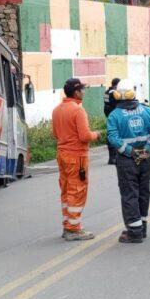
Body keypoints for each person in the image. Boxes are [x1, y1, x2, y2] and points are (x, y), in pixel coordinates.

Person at [106, 78, 150, 243]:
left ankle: (134, 232)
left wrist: (130, 152)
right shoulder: (146, 111)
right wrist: (147, 149)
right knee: (143, 192)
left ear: (116, 95)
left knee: (130, 194)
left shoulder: (114, 115)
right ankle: (141, 227)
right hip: (144, 156)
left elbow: (113, 138)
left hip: (127, 160)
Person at [51, 78, 100, 241]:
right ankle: (73, 229)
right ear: (76, 92)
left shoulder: (57, 110)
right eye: (82, 90)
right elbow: (85, 136)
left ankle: (68, 225)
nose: (84, 92)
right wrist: (97, 134)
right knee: (77, 190)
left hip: (62, 155)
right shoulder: (78, 110)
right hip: (76, 156)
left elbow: (56, 134)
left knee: (66, 190)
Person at [103, 78, 121, 165]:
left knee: (111, 133)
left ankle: (112, 157)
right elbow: (118, 102)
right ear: (117, 84)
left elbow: (107, 103)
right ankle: (113, 158)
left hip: (109, 113)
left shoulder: (107, 92)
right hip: (114, 114)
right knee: (114, 135)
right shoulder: (114, 92)